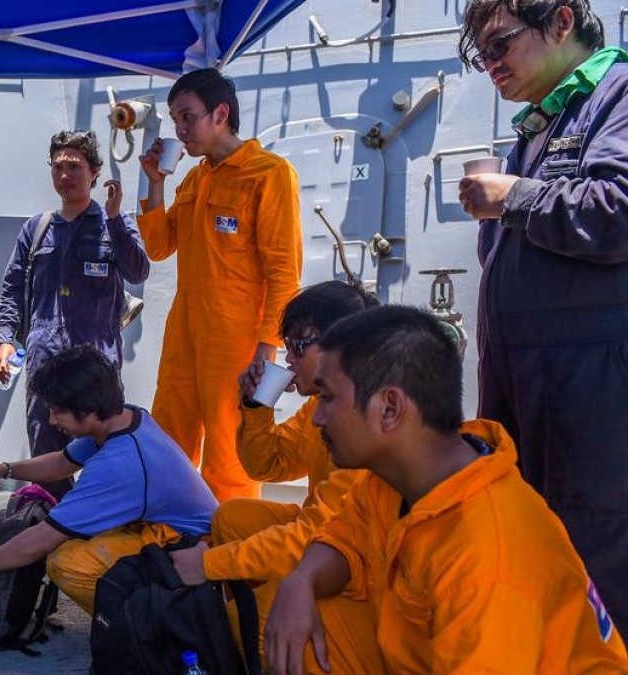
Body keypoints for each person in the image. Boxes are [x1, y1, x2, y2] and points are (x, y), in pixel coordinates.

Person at [264, 306, 628, 674]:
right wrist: (302, 579)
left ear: (390, 409)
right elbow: (345, 536)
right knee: (298, 626)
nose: (316, 418)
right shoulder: (397, 475)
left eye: (327, 398)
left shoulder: (486, 562)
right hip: (429, 651)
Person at [457, 0, 628, 628]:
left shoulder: (619, 95)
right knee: (539, 557)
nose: (490, 65)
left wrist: (516, 197)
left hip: (591, 395)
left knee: (598, 563)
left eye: (500, 45)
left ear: (560, 21)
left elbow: (618, 209)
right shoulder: (540, 124)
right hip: (530, 385)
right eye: (482, 55)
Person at [167, 281, 379, 672]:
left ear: (345, 346)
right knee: (230, 518)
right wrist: (255, 406)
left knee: (245, 623)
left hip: (357, 571)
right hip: (325, 540)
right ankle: (258, 612)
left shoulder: (365, 421)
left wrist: (210, 564)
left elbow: (316, 537)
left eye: (299, 345)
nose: (289, 359)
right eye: (288, 345)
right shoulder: (323, 405)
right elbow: (268, 465)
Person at [0, 345, 218, 614]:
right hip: (163, 528)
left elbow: (42, 539)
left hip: (189, 544)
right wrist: (3, 470)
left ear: (89, 409)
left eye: (58, 411)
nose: (51, 420)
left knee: (67, 562)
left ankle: (147, 625)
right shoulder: (123, 418)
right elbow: (62, 462)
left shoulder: (120, 463)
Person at [138, 68, 303, 501]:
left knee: (229, 457)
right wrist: (155, 185)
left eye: (188, 117)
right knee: (168, 442)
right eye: (175, 118)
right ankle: (170, 538)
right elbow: (158, 246)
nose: (179, 129)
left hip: (237, 343)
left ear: (221, 113)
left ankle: (228, 554)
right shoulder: (195, 178)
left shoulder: (269, 174)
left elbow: (284, 272)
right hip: (185, 337)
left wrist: (267, 350)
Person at [0, 130, 150, 497]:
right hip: (45, 361)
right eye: (58, 167)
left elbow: (138, 271)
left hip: (95, 363)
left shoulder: (114, 224)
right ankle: (52, 530)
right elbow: (13, 286)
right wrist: (5, 338)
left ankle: (103, 524)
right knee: (47, 454)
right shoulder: (36, 229)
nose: (65, 175)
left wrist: (114, 221)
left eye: (75, 167)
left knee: (106, 449)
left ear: (94, 172)